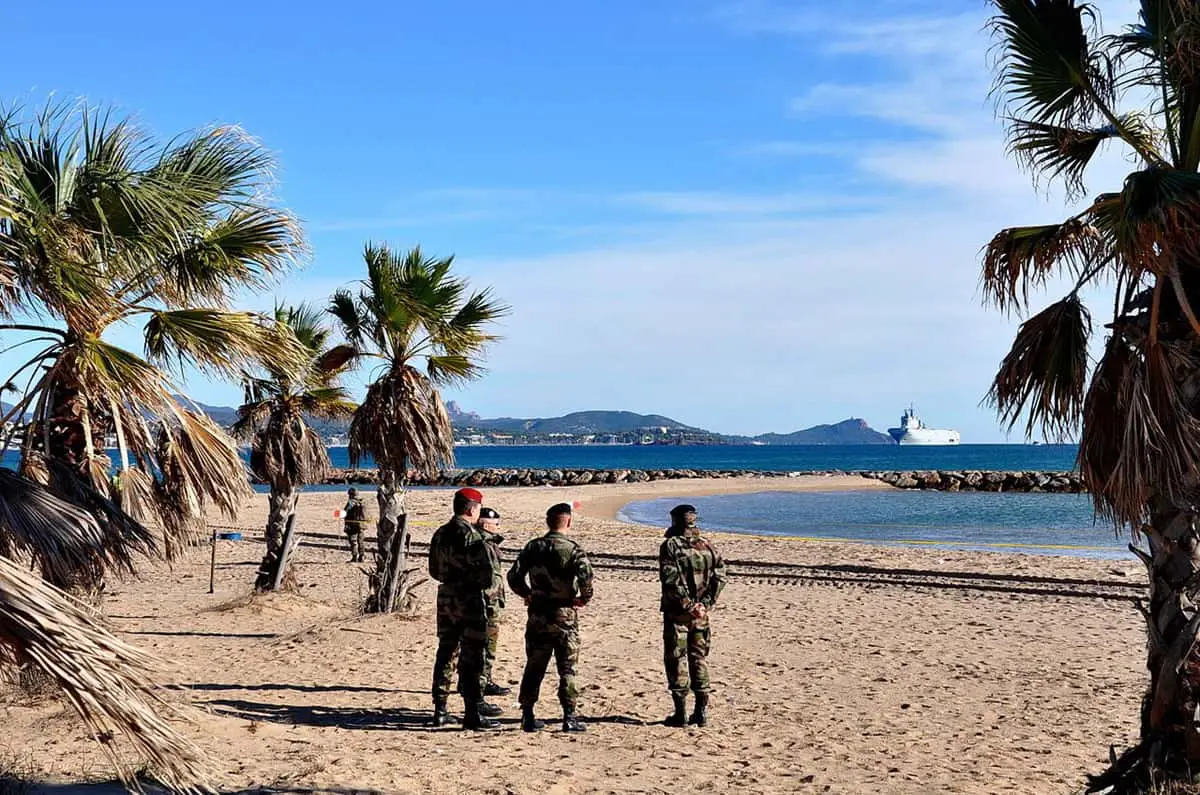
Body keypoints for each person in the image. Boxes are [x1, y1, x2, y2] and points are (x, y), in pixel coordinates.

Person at [507, 502, 594, 733]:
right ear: (568, 522)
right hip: (565, 614)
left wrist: (528, 594)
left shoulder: (533, 547)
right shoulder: (574, 550)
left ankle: (527, 715)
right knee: (567, 669)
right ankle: (569, 716)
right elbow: (587, 580)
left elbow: (514, 576)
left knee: (535, 666)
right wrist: (582, 600)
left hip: (539, 614)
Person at [428, 487, 500, 730]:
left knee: (445, 652)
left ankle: (440, 709)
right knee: (471, 656)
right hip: (469, 598)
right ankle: (472, 712)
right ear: (472, 509)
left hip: (447, 597)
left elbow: (434, 571)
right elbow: (488, 575)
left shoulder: (440, 533)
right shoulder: (473, 536)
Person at [659, 503, 727, 728]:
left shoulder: (671, 546)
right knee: (698, 659)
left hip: (678, 614)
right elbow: (720, 577)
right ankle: (701, 711)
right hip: (700, 614)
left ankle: (681, 713)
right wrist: (705, 604)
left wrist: (689, 605)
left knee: (677, 659)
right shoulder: (709, 546)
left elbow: (671, 581)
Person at [476, 507, 511, 697]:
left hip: (490, 600)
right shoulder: (482, 543)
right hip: (486, 602)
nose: (499, 527)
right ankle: (483, 680)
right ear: (486, 523)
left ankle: (482, 678)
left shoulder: (487, 541)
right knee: (487, 642)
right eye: (497, 523)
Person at [343, 488, 367, 563]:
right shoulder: (362, 502)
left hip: (352, 525)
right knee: (361, 541)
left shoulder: (351, 502)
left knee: (353, 541)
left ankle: (354, 557)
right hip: (361, 524)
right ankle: (362, 556)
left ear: (350, 495)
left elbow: (344, 512)